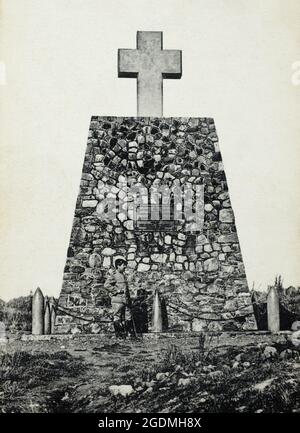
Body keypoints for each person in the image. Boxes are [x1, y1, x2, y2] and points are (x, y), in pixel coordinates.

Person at [104, 258, 135, 338]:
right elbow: (106, 285)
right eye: (123, 265)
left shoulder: (124, 275)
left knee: (128, 316)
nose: (125, 267)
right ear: (118, 266)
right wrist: (116, 290)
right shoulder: (114, 275)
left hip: (126, 300)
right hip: (117, 300)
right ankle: (119, 335)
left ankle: (129, 335)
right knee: (117, 317)